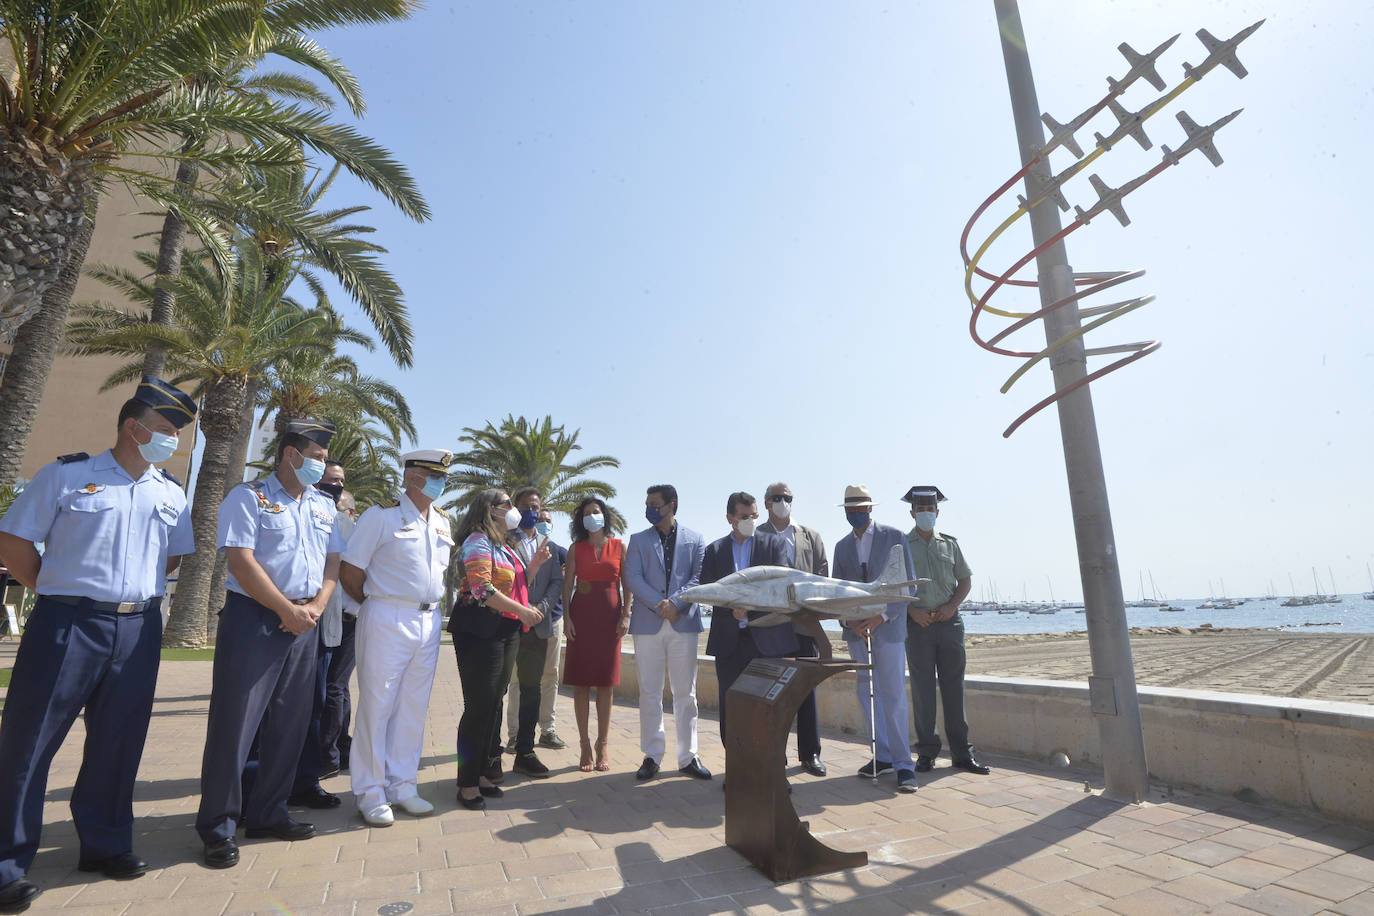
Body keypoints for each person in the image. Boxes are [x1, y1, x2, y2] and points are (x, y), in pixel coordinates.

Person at [0, 377, 196, 909]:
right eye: (163, 429)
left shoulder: (170, 492)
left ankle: (105, 846)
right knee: (28, 744)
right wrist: (58, 589)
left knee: (119, 741)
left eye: (177, 432)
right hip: (67, 624)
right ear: (132, 427)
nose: (172, 440)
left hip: (137, 628)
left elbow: (172, 557)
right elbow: (15, 540)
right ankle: (6, 863)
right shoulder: (68, 475)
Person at [195, 418, 344, 869]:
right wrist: (286, 610)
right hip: (256, 619)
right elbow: (240, 561)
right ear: (290, 455)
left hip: (306, 620)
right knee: (236, 726)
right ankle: (218, 827)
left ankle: (268, 813)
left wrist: (315, 605)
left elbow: (332, 561)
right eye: (316, 457)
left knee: (290, 724)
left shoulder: (323, 506)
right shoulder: (249, 497)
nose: (321, 466)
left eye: (322, 458)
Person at [339, 450, 456, 826]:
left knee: (413, 707)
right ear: (412, 478)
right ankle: (370, 792)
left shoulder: (442, 522)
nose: (441, 483)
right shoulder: (380, 516)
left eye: (444, 477)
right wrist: (378, 604)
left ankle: (402, 785)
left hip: (429, 619)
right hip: (387, 614)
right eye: (433, 476)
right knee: (378, 706)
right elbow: (351, 572)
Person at [448, 489, 549, 810]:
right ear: (491, 510)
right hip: (480, 629)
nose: (513, 509)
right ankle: (466, 782)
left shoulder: (505, 546)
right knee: (478, 707)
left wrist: (531, 570)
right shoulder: (477, 541)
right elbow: (481, 589)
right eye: (507, 504)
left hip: (505, 629)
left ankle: (481, 773)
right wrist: (522, 612)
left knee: (493, 705)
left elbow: (513, 585)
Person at [832, 485, 919, 794]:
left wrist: (881, 616)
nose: (855, 515)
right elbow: (838, 593)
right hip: (858, 633)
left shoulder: (894, 537)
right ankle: (881, 756)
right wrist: (850, 620)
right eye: (850, 510)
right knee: (865, 693)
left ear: (870, 509)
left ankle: (904, 765)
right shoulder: (842, 547)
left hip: (889, 629)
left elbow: (907, 588)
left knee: (894, 695)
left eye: (860, 509)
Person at [624, 485, 709, 781]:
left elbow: (698, 578)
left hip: (683, 623)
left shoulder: (696, 539)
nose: (649, 508)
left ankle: (688, 756)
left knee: (686, 693)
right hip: (648, 624)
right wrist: (660, 605)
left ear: (671, 505)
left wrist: (675, 604)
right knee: (650, 691)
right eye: (647, 503)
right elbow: (632, 577)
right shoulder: (637, 540)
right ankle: (652, 754)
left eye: (655, 504)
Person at [903, 486, 989, 776]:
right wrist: (910, 611)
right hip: (918, 626)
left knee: (955, 689)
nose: (926, 514)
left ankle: (963, 754)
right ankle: (926, 753)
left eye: (930, 510)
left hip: (949, 624)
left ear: (937, 513)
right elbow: (893, 586)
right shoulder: (901, 546)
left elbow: (964, 580)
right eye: (921, 510)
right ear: (912, 512)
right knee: (923, 691)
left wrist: (952, 606)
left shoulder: (950, 544)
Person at [286, 461, 352, 810]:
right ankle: (259, 783)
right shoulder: (283, 506)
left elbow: (340, 570)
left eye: (340, 482)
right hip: (284, 619)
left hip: (324, 627)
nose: (334, 488)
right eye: (329, 481)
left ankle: (306, 779)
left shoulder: (340, 521)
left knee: (316, 704)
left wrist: (317, 607)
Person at [703, 492, 790, 753]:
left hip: (765, 641)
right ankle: (737, 770)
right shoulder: (714, 550)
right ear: (730, 518)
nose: (750, 520)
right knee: (731, 707)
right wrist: (731, 606)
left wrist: (750, 610)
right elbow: (707, 591)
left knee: (769, 707)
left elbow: (779, 587)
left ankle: (774, 768)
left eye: (754, 516)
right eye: (744, 516)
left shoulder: (773, 545)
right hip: (728, 644)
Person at [756, 482, 828, 777]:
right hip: (770, 629)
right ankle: (775, 754)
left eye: (786, 498)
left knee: (805, 694)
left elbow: (823, 574)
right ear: (766, 503)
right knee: (771, 695)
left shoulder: (810, 536)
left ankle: (810, 754)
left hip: (803, 626)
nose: (782, 502)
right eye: (776, 498)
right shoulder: (757, 536)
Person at [561, 497, 630, 772]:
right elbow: (567, 587)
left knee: (605, 682)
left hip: (610, 616)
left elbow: (627, 583)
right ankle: (584, 745)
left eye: (596, 512)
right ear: (581, 520)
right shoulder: (575, 549)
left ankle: (603, 745)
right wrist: (566, 618)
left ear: (605, 516)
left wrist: (626, 614)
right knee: (580, 683)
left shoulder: (618, 546)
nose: (592, 516)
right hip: (582, 616)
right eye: (587, 513)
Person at [501, 488, 565, 779]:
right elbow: (504, 581)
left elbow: (555, 582)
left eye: (536, 506)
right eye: (525, 506)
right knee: (503, 686)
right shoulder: (503, 540)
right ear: (516, 509)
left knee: (532, 688)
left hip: (538, 625)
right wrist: (521, 608)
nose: (531, 511)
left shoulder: (548, 544)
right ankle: (498, 747)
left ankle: (526, 751)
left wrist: (538, 608)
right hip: (509, 624)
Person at [319, 488, 359, 778]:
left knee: (334, 686)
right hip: (326, 618)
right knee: (338, 687)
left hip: (348, 619)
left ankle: (330, 755)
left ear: (350, 512)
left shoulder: (353, 534)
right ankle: (342, 748)